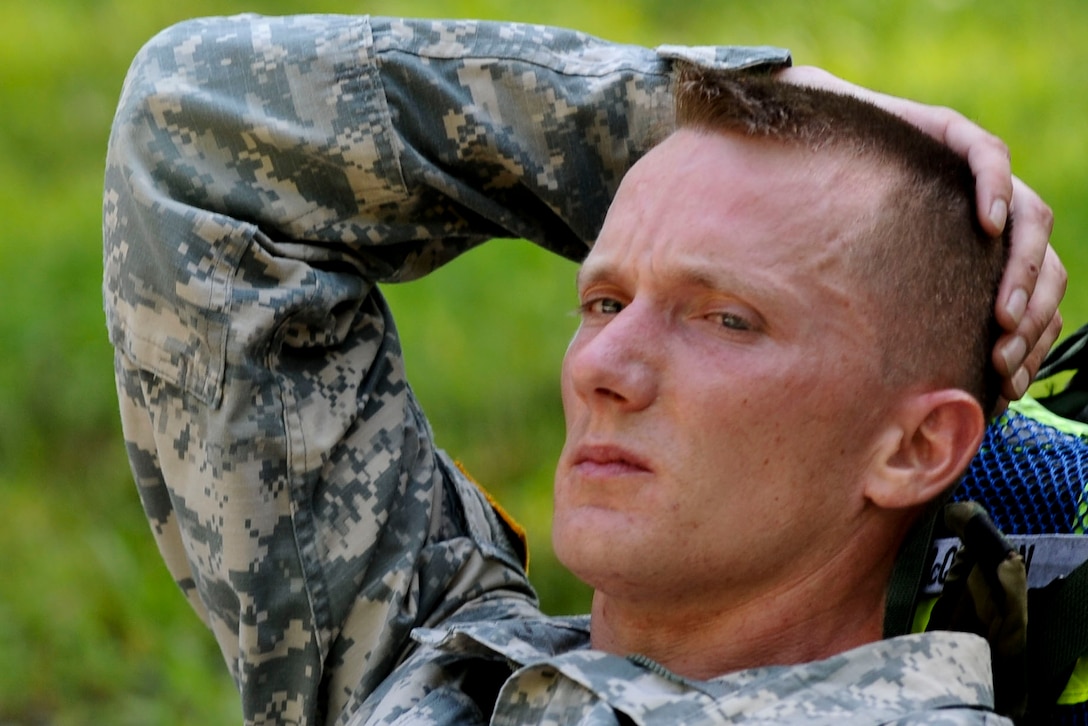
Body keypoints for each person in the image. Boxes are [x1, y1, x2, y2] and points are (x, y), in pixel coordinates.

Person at [103, 14, 1064, 725]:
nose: (603, 365)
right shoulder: (420, 656)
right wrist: (723, 118)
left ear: (914, 446)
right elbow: (194, 128)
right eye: (603, 301)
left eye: (726, 320)